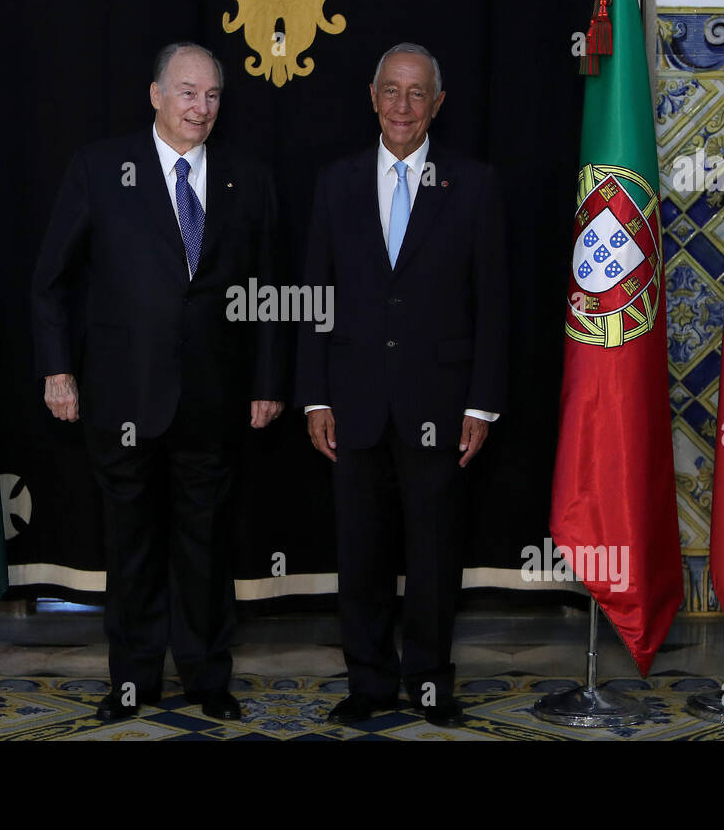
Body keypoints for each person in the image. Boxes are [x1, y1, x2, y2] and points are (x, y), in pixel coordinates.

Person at [32, 42, 286, 721]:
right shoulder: (97, 168)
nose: (199, 107)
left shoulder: (247, 176)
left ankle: (208, 678)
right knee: (132, 546)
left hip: (216, 398)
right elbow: (51, 282)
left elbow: (267, 291)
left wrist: (268, 379)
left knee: (205, 547)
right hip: (121, 397)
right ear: (155, 95)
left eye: (211, 96)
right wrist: (58, 369)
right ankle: (132, 681)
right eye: (186, 92)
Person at [296, 43, 508, 727]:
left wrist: (481, 402)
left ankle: (428, 683)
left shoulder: (474, 185)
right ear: (372, 96)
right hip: (351, 402)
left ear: (438, 104)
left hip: (441, 404)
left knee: (434, 554)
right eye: (392, 91)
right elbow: (314, 297)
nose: (403, 106)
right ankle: (368, 683)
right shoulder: (336, 182)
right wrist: (315, 395)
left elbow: (494, 303)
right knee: (360, 553)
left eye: (417, 94)